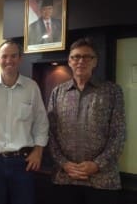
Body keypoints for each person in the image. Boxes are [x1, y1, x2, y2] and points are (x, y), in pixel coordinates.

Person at [48, 38, 126, 204]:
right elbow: (50, 133)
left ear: (95, 61)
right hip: (65, 178)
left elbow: (119, 134)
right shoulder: (57, 93)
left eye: (86, 57)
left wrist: (97, 164)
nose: (80, 61)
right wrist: (64, 163)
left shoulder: (112, 91)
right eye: (76, 57)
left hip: (102, 180)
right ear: (69, 61)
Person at [0, 40, 49, 204]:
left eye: (13, 56)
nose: (9, 60)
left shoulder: (31, 87)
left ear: (20, 59)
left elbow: (41, 122)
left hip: (23, 162)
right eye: (4, 56)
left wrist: (38, 151)